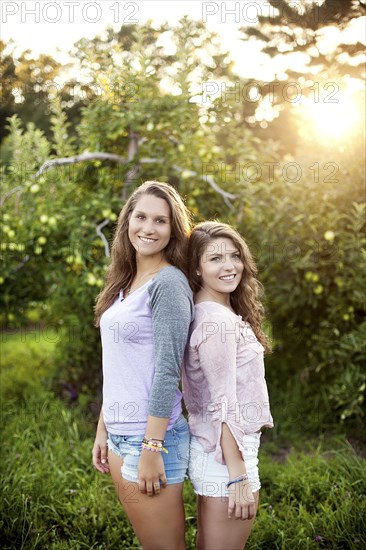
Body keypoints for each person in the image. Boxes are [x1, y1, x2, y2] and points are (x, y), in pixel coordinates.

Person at [92, 181, 194, 550]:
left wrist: (153, 447)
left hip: (151, 440)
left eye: (160, 220)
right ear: (127, 222)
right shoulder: (124, 283)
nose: (148, 228)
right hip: (120, 437)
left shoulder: (168, 283)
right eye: (141, 217)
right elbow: (120, 366)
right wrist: (103, 428)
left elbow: (168, 371)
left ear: (172, 229)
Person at [182, 221, 274, 550]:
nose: (229, 266)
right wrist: (238, 473)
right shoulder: (216, 321)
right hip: (228, 457)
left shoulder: (215, 313)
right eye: (215, 259)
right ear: (196, 268)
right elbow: (222, 402)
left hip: (219, 451)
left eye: (234, 256)